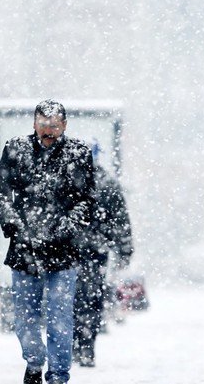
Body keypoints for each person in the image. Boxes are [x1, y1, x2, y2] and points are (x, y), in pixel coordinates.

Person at [0, 99, 95, 384]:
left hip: (63, 250)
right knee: (25, 318)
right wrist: (13, 224)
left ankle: (59, 375)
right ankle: (34, 361)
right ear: (34, 123)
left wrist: (66, 227)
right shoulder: (15, 149)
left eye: (54, 126)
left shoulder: (78, 153)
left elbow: (87, 200)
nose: (48, 131)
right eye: (43, 125)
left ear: (64, 125)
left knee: (60, 319)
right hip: (24, 249)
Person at [73, 141, 134, 368]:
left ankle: (73, 343)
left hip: (69, 252)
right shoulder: (107, 182)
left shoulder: (67, 180)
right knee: (91, 298)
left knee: (69, 298)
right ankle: (86, 344)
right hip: (95, 252)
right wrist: (124, 250)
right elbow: (120, 221)